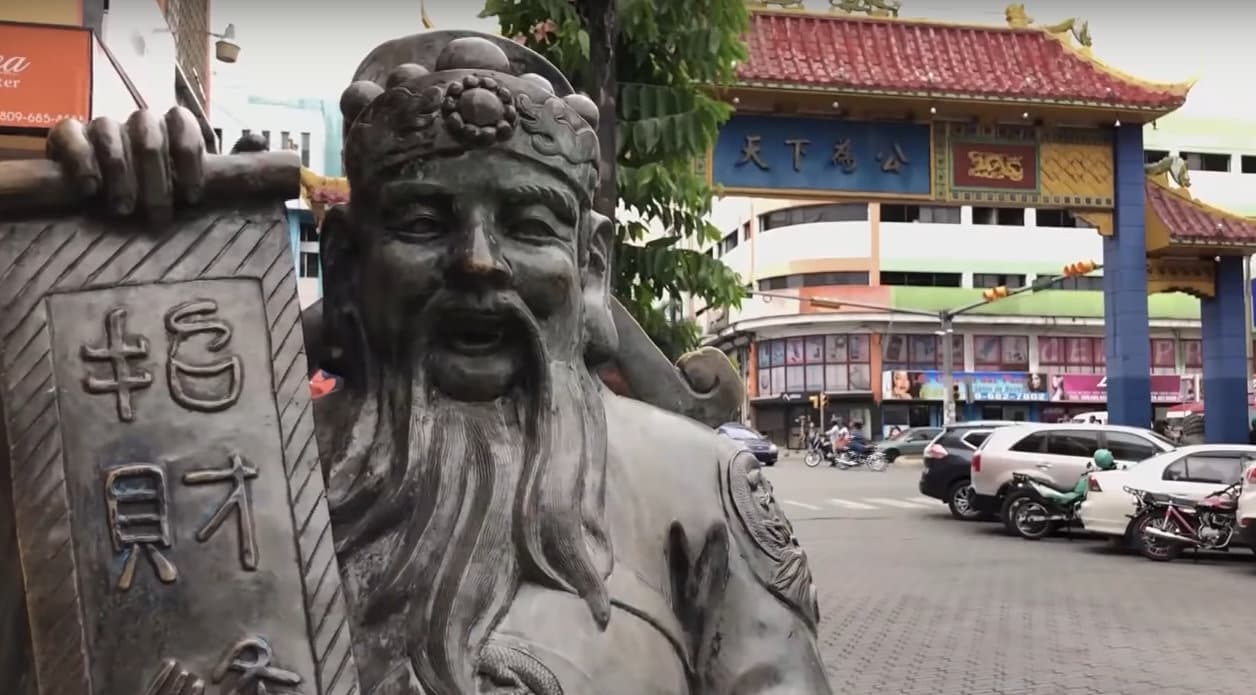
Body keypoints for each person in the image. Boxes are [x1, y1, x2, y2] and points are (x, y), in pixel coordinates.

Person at [46, 31, 831, 693]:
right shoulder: (232, 478)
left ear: (589, 270)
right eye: (424, 221)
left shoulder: (703, 491)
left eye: (528, 224)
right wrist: (103, 254)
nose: (479, 262)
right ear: (350, 263)